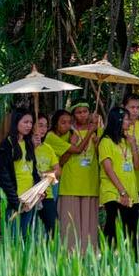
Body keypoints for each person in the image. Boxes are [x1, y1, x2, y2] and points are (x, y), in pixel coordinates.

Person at [55, 100, 102, 251]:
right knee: (69, 222)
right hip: (70, 183)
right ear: (74, 115)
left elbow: (106, 156)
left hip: (90, 182)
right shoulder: (68, 131)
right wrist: (71, 145)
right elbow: (60, 161)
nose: (82, 115)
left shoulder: (97, 130)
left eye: (85, 111)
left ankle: (88, 254)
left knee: (89, 223)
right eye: (78, 112)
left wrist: (96, 141)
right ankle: (68, 253)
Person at [98, 106, 139, 247]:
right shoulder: (105, 141)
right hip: (113, 192)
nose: (129, 122)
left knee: (131, 232)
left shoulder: (127, 140)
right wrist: (122, 192)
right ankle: (107, 262)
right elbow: (108, 169)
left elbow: (137, 165)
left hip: (131, 192)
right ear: (118, 120)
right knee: (113, 228)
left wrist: (134, 145)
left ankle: (131, 265)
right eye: (127, 119)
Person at [0, 108, 40, 238]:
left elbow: (34, 171)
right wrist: (15, 201)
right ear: (16, 122)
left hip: (29, 200)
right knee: (12, 239)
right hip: (14, 200)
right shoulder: (6, 144)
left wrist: (38, 190)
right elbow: (3, 177)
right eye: (25, 122)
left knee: (25, 238)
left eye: (31, 122)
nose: (29, 125)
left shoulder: (29, 144)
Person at [36, 111, 69, 235]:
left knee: (53, 229)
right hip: (29, 194)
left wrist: (44, 174)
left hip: (47, 193)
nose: (43, 129)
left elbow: (58, 171)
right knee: (30, 231)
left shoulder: (47, 148)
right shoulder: (25, 146)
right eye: (40, 125)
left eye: (45, 125)